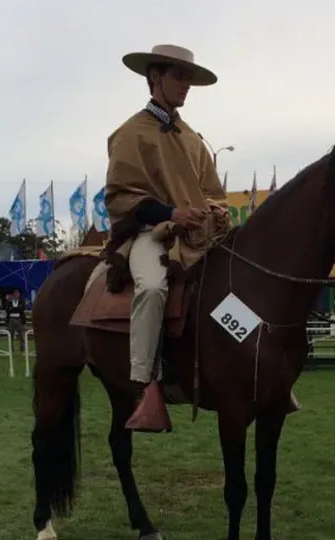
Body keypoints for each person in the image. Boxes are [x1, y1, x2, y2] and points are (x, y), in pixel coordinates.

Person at [103, 43, 230, 429]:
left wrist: (216, 210)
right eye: (179, 76)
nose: (186, 84)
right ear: (155, 77)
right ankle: (145, 384)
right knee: (153, 287)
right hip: (151, 235)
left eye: (189, 78)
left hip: (198, 236)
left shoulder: (193, 138)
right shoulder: (129, 134)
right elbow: (120, 196)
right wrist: (172, 214)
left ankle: (258, 362)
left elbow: (212, 192)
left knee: (236, 282)